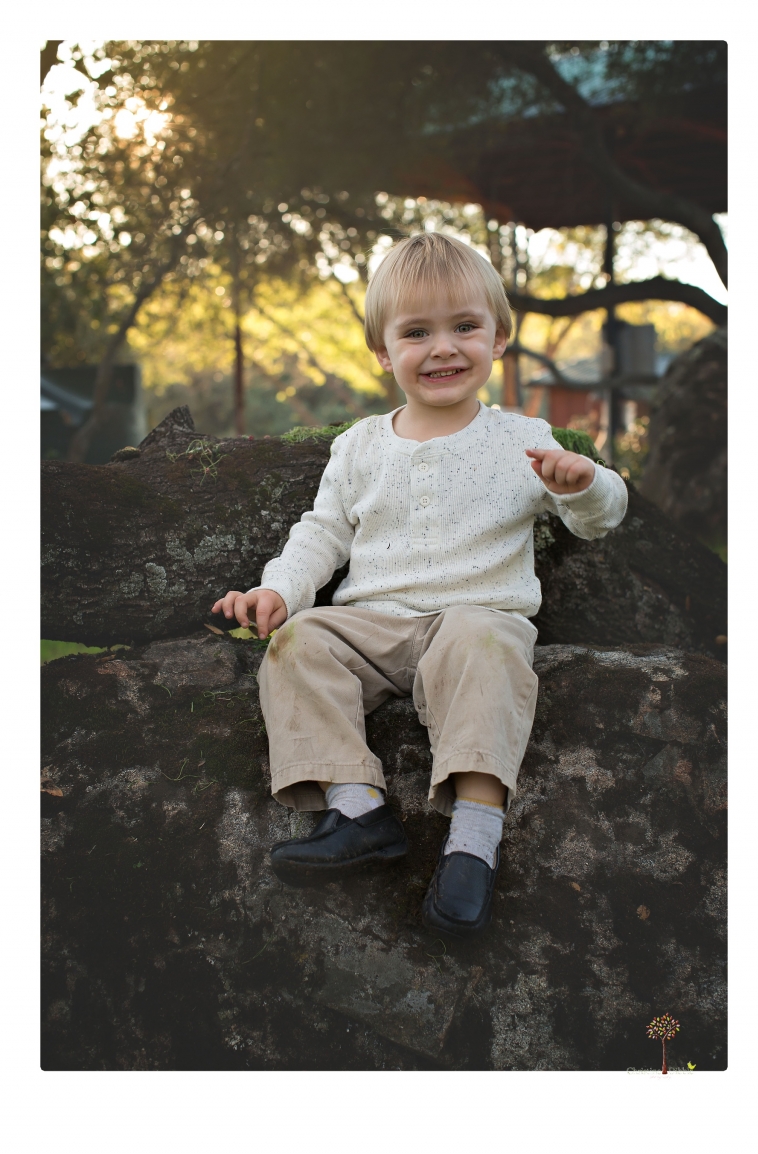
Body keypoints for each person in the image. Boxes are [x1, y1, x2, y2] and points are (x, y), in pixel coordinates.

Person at [212, 232, 627, 939]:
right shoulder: (362, 446)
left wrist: (586, 483)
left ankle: (473, 844)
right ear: (384, 351)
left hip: (476, 616)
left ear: (499, 337)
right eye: (416, 332)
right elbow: (323, 532)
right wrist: (278, 593)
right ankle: (357, 809)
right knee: (299, 644)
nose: (443, 348)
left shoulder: (522, 437)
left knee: (485, 649)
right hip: (374, 623)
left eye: (465, 326)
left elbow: (598, 519)